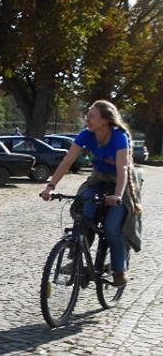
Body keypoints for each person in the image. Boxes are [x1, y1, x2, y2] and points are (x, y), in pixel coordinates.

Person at [41, 100, 142, 286]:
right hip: (99, 180)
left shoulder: (119, 136)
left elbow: (123, 169)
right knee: (83, 217)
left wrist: (118, 195)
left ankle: (119, 269)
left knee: (112, 227)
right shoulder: (86, 135)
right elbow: (67, 161)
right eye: (87, 115)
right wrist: (50, 186)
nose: (87, 119)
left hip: (120, 183)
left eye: (92, 116)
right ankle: (76, 260)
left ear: (106, 119)